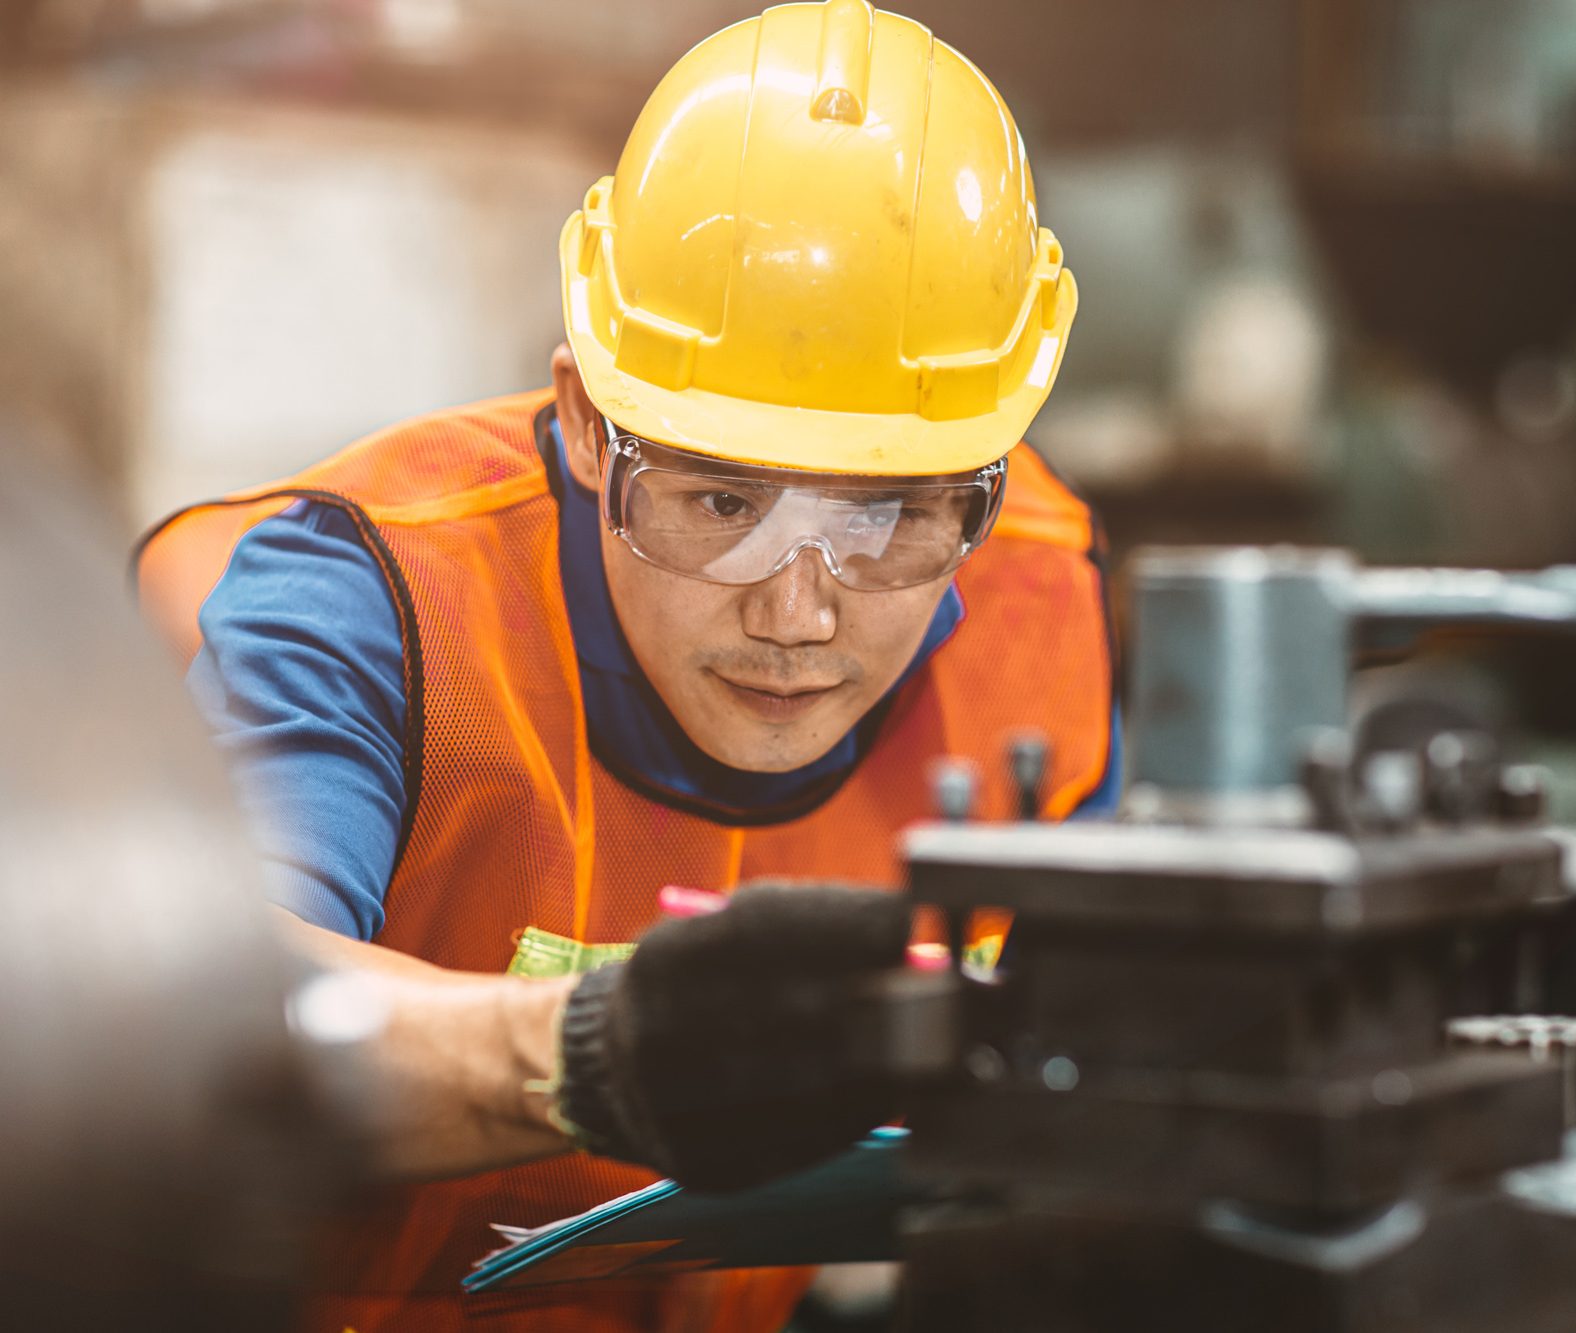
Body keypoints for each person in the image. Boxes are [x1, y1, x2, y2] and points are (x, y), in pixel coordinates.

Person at [134, 1, 1117, 1329]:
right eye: (721, 505)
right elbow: (208, 1030)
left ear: (983, 482)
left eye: (886, 515)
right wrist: (587, 1054)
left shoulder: (1036, 604)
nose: (796, 612)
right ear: (591, 424)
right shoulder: (379, 604)